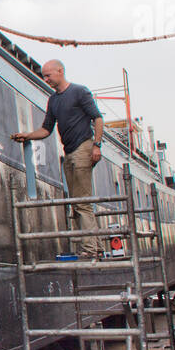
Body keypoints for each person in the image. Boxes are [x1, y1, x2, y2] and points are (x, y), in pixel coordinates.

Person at [12, 60, 105, 258]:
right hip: (69, 152)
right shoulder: (53, 101)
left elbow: (97, 118)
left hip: (83, 147)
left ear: (60, 71)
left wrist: (97, 145)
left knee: (82, 202)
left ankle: (89, 250)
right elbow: (47, 129)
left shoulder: (80, 92)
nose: (46, 79)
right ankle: (96, 247)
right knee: (77, 201)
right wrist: (27, 135)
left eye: (48, 75)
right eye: (44, 76)